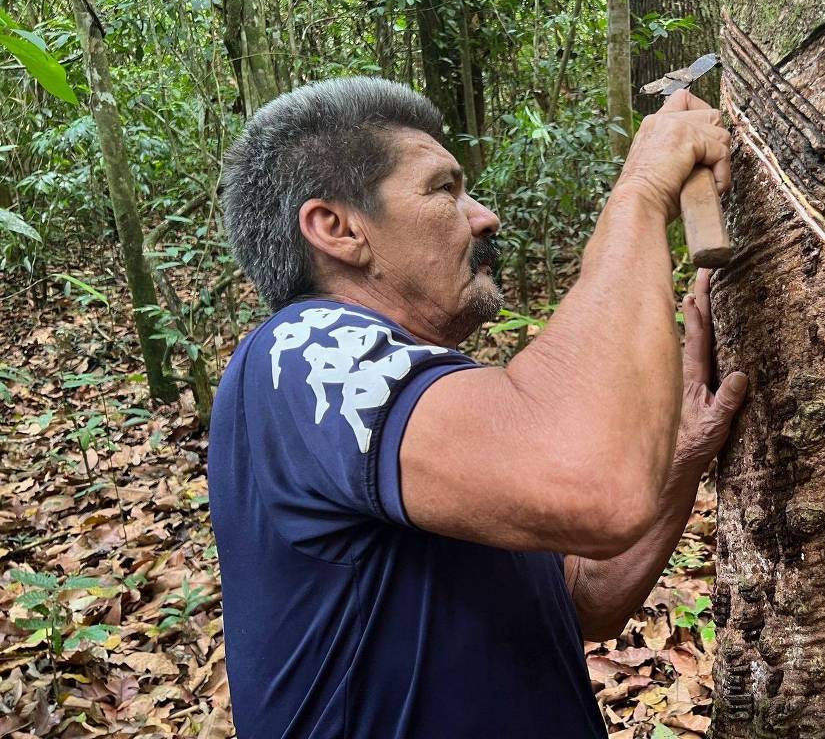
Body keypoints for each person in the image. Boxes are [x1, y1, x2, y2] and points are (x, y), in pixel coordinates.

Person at [207, 76, 748, 738]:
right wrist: (639, 196)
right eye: (444, 189)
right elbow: (595, 486)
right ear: (339, 229)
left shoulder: (420, 403)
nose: (484, 215)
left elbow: (582, 599)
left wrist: (682, 451)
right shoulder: (304, 351)